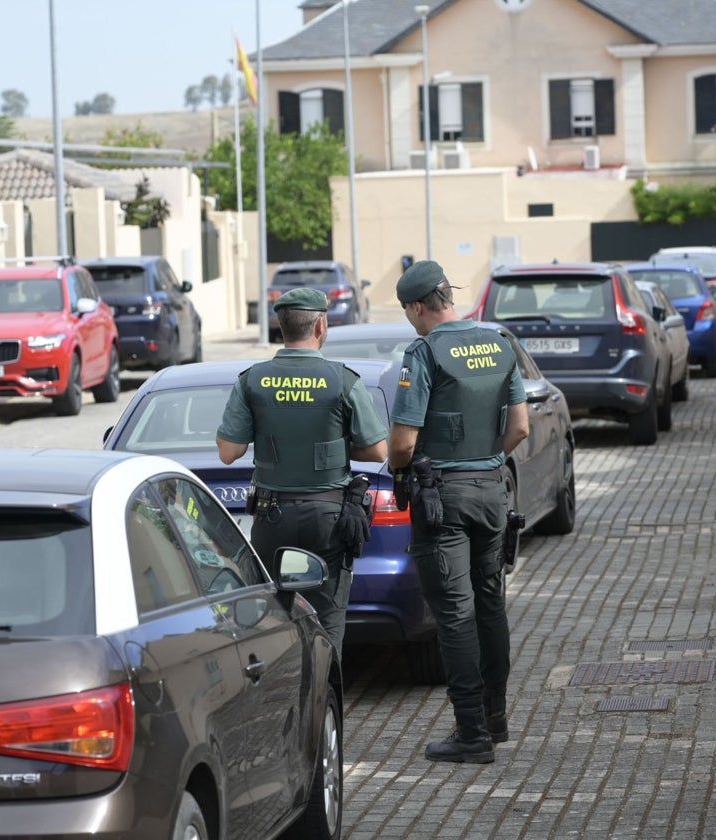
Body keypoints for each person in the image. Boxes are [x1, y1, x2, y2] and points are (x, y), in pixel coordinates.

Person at [388, 260, 529, 764]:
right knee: (490, 605)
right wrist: (485, 459)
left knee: (454, 614)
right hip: (493, 491)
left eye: (408, 311)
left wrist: (397, 466)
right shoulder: (498, 342)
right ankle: (496, 718)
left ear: (419, 306)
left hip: (443, 497)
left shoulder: (423, 353)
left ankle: (470, 733)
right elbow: (520, 428)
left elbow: (403, 442)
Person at [215, 287, 388, 657]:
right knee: (327, 620)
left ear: (280, 326)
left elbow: (229, 452)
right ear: (321, 325)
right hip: (328, 516)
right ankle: (326, 706)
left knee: (274, 617)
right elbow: (377, 451)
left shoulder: (252, 380)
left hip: (271, 516)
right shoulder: (342, 380)